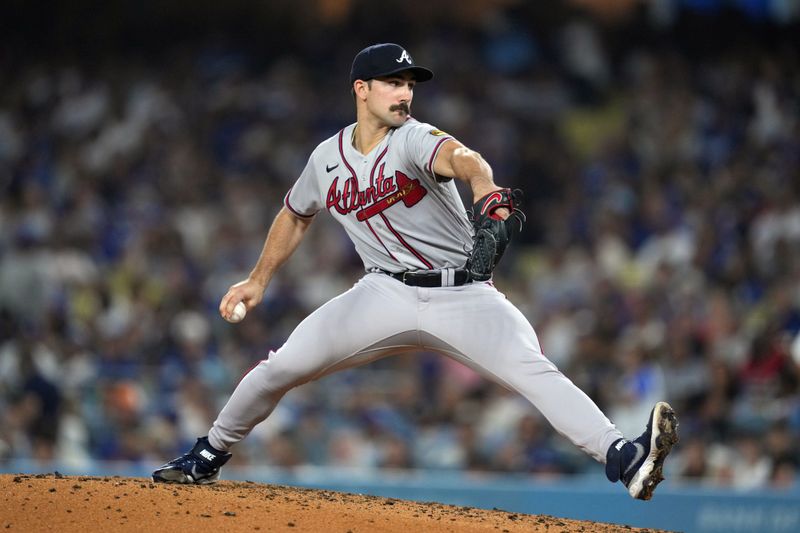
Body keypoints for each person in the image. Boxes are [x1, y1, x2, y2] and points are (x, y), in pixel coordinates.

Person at [152, 43, 678, 500]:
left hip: (463, 295)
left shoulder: (414, 137)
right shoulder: (326, 158)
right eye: (393, 83)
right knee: (280, 367)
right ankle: (207, 455)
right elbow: (295, 213)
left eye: (409, 84)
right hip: (382, 293)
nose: (404, 93)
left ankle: (625, 459)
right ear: (361, 88)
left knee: (534, 371)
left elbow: (466, 158)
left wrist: (485, 190)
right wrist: (258, 279)